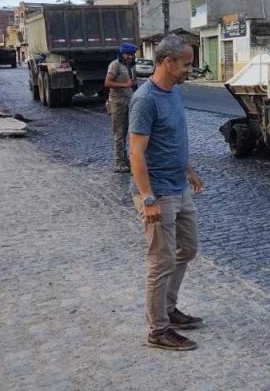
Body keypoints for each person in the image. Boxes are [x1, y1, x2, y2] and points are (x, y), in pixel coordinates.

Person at [128, 35, 204, 351]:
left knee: (187, 248)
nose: (191, 69)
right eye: (186, 64)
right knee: (160, 262)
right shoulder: (145, 100)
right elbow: (136, 152)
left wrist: (189, 170)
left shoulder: (173, 93)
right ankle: (158, 329)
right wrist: (148, 198)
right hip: (158, 192)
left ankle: (168, 309)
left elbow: (172, 138)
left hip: (179, 186)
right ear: (168, 62)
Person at [105, 42, 138, 173]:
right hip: (118, 103)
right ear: (122, 54)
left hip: (131, 102)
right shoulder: (115, 65)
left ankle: (130, 161)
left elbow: (133, 84)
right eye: (127, 54)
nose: (130, 56)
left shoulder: (132, 66)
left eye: (132, 54)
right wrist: (125, 85)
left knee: (133, 133)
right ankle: (119, 162)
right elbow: (107, 82)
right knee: (119, 133)